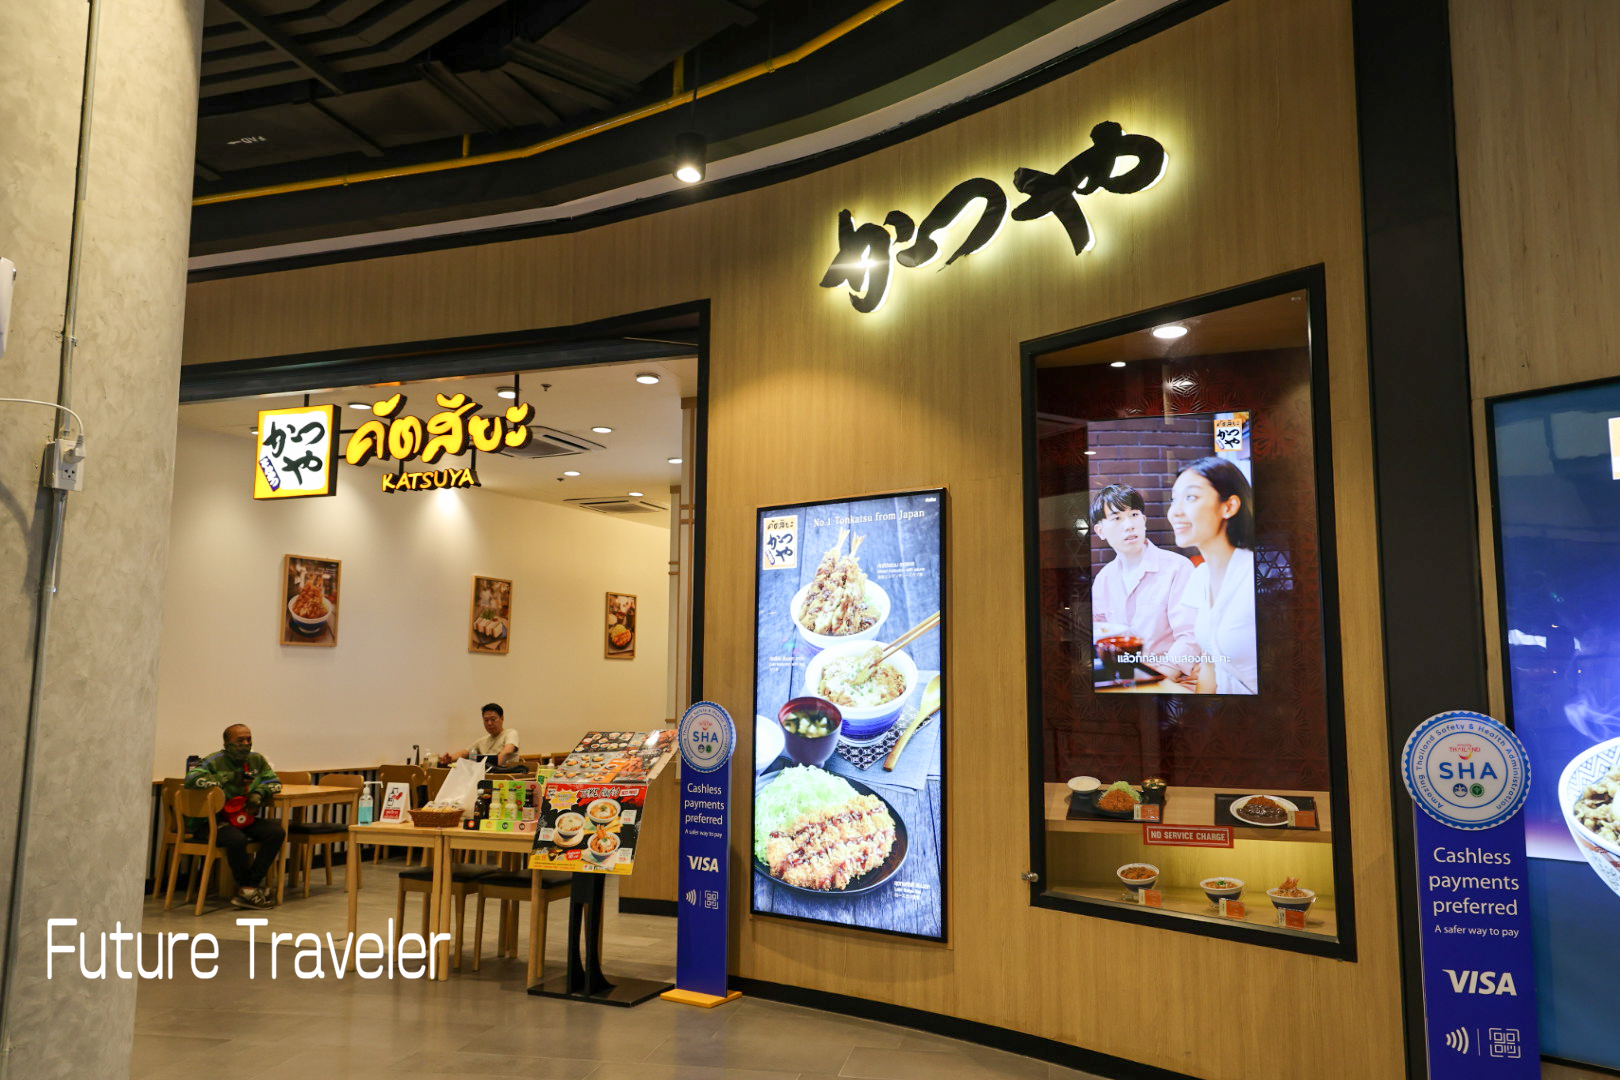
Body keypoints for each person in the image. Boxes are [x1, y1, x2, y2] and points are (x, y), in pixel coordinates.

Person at [1166, 456, 1258, 694]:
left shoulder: (1255, 576)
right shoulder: (1200, 576)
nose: (1175, 512)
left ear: (1229, 506)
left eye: (1191, 497)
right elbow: (1210, 665)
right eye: (1174, 499)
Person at [1089, 483, 1199, 684]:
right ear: (1100, 530)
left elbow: (1190, 635)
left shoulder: (1178, 568)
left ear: (1144, 521)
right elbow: (1097, 634)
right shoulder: (1103, 579)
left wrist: (1161, 676)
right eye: (1116, 518)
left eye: (1134, 515)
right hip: (1124, 681)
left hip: (1174, 680)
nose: (1129, 525)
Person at [184, 724, 283, 910]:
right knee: (236, 839)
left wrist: (259, 793)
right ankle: (248, 890)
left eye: (249, 739)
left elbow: (274, 781)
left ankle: (249, 887)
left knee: (275, 832)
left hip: (243, 817)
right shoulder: (214, 760)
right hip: (213, 821)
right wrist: (227, 779)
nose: (246, 743)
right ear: (227, 743)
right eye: (240, 740)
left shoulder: (256, 759)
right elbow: (191, 779)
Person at [439, 703, 519, 767]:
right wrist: (450, 759)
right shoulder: (483, 740)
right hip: (485, 775)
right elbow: (464, 753)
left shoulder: (510, 733)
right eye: (486, 720)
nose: (489, 723)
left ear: (502, 718)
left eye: (493, 719)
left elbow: (508, 750)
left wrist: (496, 767)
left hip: (504, 775)